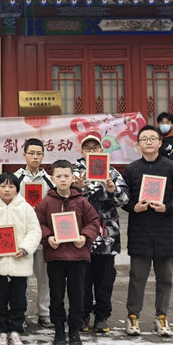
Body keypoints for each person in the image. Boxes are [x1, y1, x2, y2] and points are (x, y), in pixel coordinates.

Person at [122, 125, 173, 337]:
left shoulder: (172, 168)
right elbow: (123, 198)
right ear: (138, 145)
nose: (149, 142)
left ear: (160, 143)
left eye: (153, 138)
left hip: (166, 232)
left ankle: (161, 317)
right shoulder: (131, 169)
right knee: (137, 278)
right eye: (144, 139)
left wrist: (168, 207)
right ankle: (133, 317)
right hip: (140, 232)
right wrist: (133, 207)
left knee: (165, 279)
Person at [37, 159, 101, 345]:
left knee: (77, 295)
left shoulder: (81, 201)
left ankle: (74, 330)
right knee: (56, 295)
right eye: (59, 176)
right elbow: (37, 223)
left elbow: (94, 221)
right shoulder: (46, 202)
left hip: (77, 256)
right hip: (55, 256)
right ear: (52, 178)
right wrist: (48, 237)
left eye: (66, 176)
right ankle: (59, 330)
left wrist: (85, 236)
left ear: (73, 177)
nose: (63, 179)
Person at [0, 173, 41, 345]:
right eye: (3, 186)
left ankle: (16, 331)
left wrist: (25, 248)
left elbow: (34, 231)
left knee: (19, 299)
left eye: (11, 186)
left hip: (20, 262)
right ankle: (2, 331)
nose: (7, 190)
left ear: (17, 189)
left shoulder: (25, 208)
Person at [73, 132, 129, 334]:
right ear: (81, 151)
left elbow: (124, 200)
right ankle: (82, 314)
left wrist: (112, 190)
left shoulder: (112, 172)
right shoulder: (74, 172)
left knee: (105, 279)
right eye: (87, 148)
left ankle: (102, 316)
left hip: (107, 236)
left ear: (101, 150)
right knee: (82, 279)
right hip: (80, 235)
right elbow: (63, 199)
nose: (91, 151)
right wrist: (76, 189)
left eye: (95, 147)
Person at [12, 138, 53, 328]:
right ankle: (21, 314)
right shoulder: (15, 178)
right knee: (22, 278)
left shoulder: (50, 180)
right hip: (22, 236)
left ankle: (44, 313)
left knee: (44, 277)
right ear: (24, 155)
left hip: (43, 236)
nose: (35, 157)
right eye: (31, 153)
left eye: (39, 153)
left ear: (43, 156)